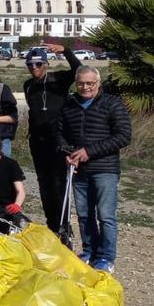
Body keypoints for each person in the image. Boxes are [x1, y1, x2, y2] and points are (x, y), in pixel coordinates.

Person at [56, 67, 131, 272]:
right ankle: (90, 251)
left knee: (106, 215)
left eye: (90, 83)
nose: (85, 87)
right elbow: (60, 134)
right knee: (84, 214)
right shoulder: (69, 105)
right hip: (79, 170)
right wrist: (67, 152)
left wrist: (89, 151)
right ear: (76, 83)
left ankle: (106, 257)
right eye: (81, 83)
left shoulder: (112, 104)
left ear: (98, 83)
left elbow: (123, 136)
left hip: (105, 169)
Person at [23, 44, 81, 230]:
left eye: (38, 64)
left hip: (57, 139)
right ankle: (52, 224)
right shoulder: (28, 85)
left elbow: (80, 70)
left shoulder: (59, 79)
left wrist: (66, 50)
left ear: (46, 64)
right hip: (37, 140)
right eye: (30, 65)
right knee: (44, 183)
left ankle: (63, 224)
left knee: (58, 183)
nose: (34, 68)